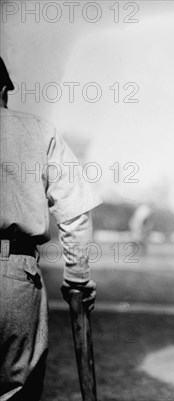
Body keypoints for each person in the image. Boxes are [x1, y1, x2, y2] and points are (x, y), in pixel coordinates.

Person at [0, 57, 101, 400]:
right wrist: (77, 280)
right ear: (3, 89)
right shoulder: (37, 130)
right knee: (16, 391)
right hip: (13, 272)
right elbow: (75, 216)